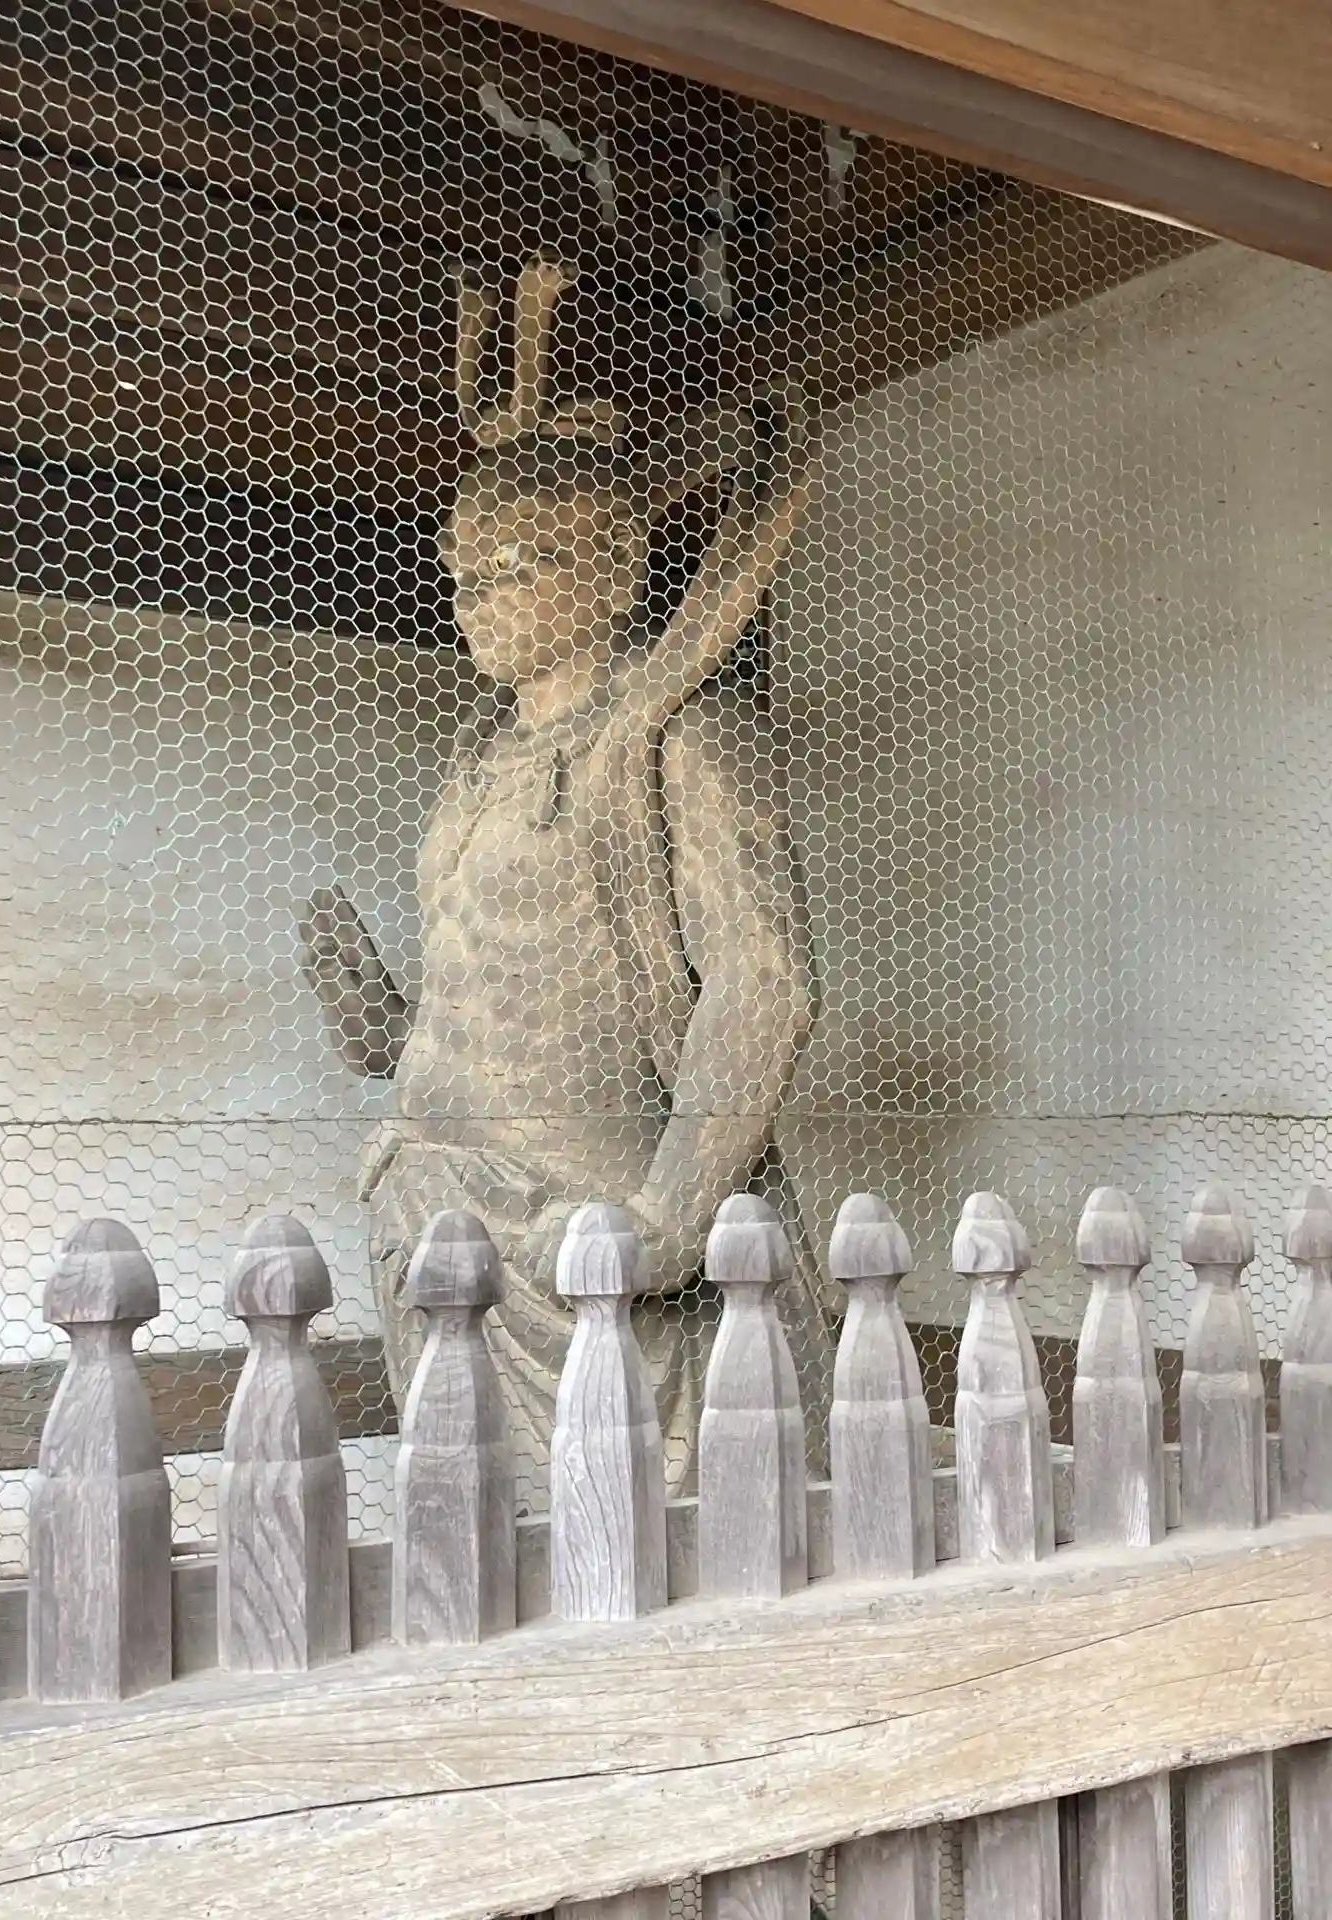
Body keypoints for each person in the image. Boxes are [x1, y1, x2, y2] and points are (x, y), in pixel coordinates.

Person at [302, 260, 833, 1499]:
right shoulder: (474, 769)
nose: (481, 600)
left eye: (520, 564)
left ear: (611, 568)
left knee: (629, 1522)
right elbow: (500, 994)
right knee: (479, 1524)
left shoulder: (678, 739)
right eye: (464, 574)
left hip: (587, 1227)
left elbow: (763, 984)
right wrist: (382, 1022)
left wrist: (672, 1213)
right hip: (431, 1207)